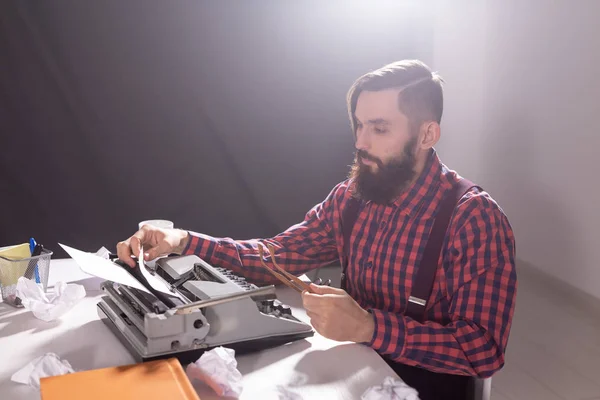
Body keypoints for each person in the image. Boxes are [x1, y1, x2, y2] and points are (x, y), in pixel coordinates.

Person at [117, 60, 517, 400]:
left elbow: (482, 350)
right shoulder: (351, 198)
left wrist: (369, 327)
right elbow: (275, 257)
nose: (361, 143)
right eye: (358, 126)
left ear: (427, 135)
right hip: (351, 371)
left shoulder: (474, 219)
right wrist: (183, 240)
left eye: (379, 129)